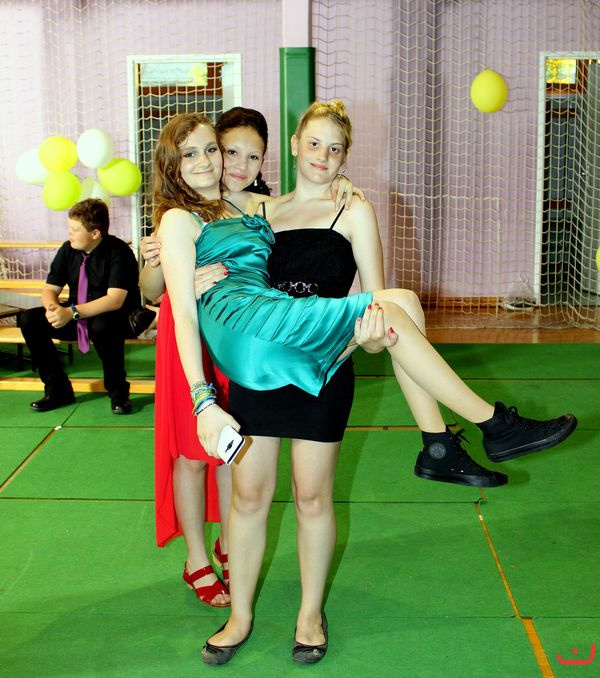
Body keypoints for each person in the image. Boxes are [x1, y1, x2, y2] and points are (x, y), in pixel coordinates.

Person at [152, 103, 577, 664]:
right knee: (249, 498)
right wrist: (170, 273)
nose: (220, 161)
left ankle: (311, 612)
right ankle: (467, 433)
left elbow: (378, 322)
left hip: (320, 352)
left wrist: (375, 333)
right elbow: (160, 277)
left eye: (335, 149)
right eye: (213, 152)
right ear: (295, 144)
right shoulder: (250, 209)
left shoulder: (322, 206)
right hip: (264, 347)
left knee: (316, 488)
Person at [141, 107, 359, 609]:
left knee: (233, 454)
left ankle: (229, 541)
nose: (237, 164)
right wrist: (173, 279)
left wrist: (341, 183)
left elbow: (308, 205)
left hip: (247, 339)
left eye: (251, 156)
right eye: (229, 151)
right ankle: (197, 558)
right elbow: (151, 289)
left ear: (265, 161)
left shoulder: (256, 206)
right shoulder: (179, 210)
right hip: (190, 334)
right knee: (193, 452)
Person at [19, 198, 149, 414]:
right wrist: (53, 309)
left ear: (95, 233)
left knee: (102, 326)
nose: (68, 233)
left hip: (116, 316)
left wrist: (71, 312)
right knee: (30, 320)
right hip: (78, 313)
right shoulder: (68, 249)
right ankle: (58, 389)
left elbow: (114, 300)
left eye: (74, 229)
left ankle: (118, 393)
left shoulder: (119, 251)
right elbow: (50, 288)